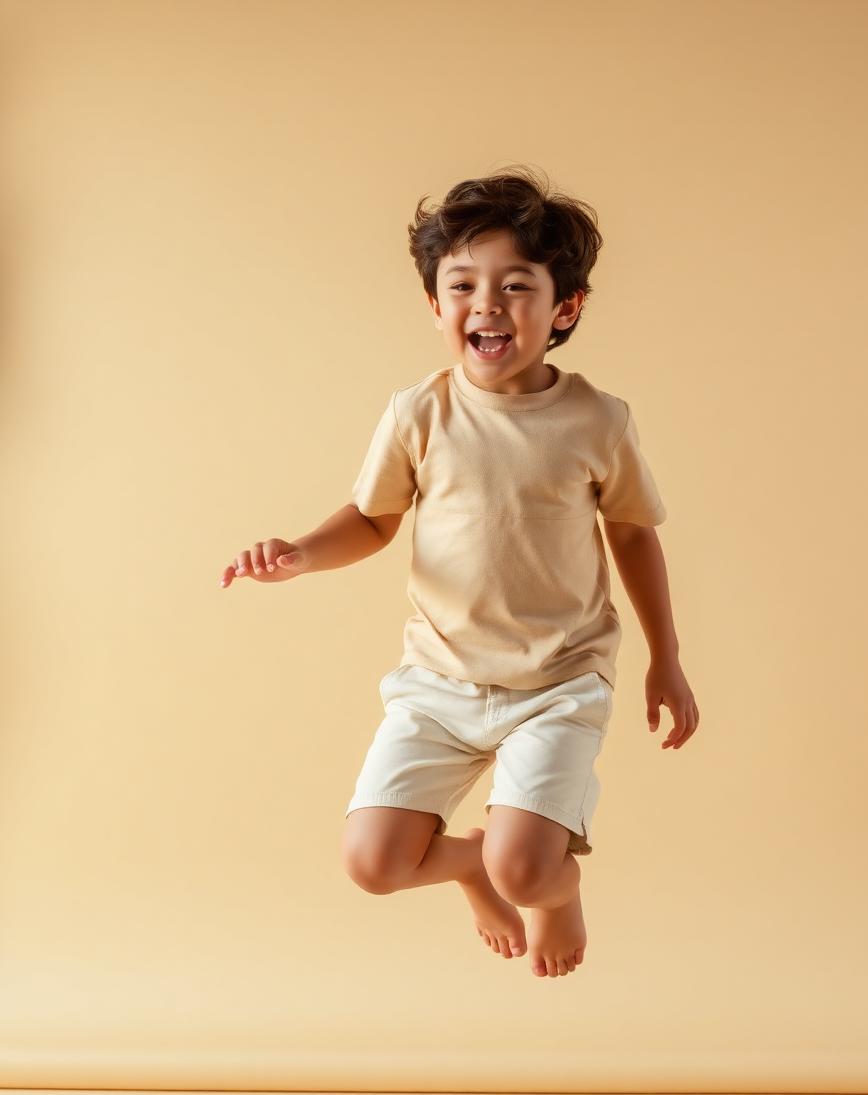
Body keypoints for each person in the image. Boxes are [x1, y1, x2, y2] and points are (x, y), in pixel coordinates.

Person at [219, 165, 699, 979]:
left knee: (529, 868)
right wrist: (300, 553)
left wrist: (667, 658)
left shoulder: (595, 420)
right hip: (438, 681)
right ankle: (469, 864)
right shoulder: (419, 412)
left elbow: (633, 534)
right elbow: (373, 519)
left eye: (517, 286)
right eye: (464, 285)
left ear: (565, 307)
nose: (487, 304)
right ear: (438, 307)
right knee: (373, 864)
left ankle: (548, 887)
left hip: (558, 681)